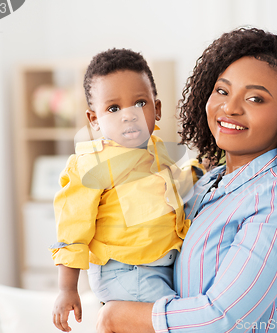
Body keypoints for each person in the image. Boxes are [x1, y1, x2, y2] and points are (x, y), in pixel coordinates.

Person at [96, 27, 277, 333]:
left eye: (255, 99)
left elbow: (223, 319)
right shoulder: (204, 184)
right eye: (222, 91)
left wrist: (116, 317)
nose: (231, 108)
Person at [50, 48, 204, 332]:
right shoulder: (90, 164)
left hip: (159, 266)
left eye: (140, 103)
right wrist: (67, 289)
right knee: (177, 323)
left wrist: (198, 170)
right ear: (94, 119)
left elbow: (173, 188)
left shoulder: (158, 151)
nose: (128, 115)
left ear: (156, 110)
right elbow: (72, 228)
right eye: (113, 108)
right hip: (126, 271)